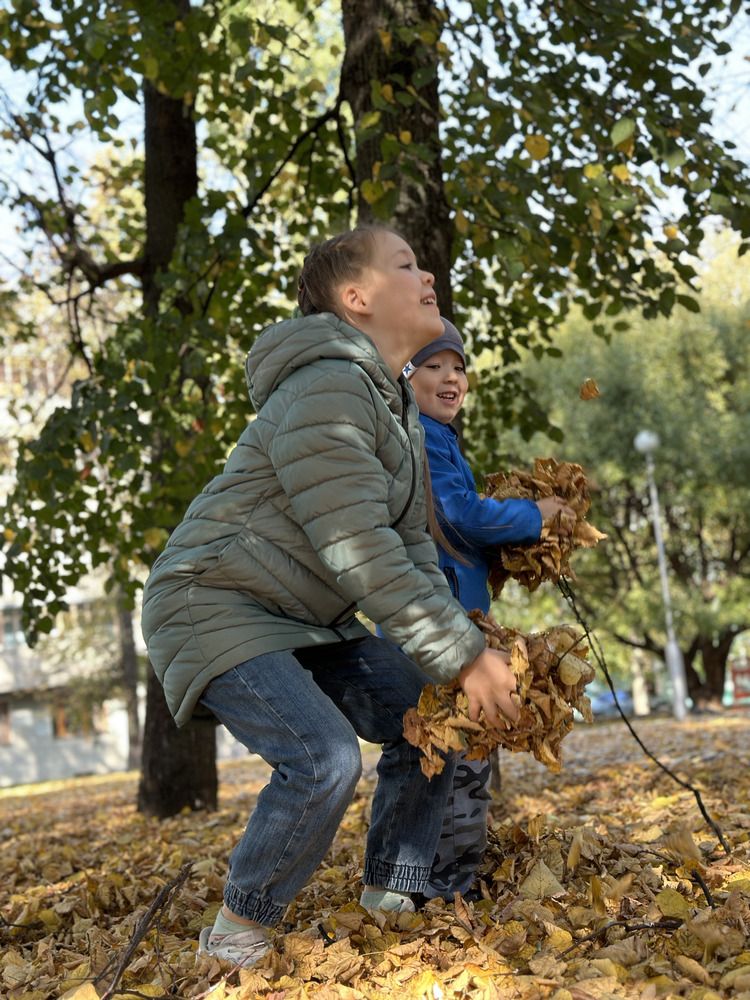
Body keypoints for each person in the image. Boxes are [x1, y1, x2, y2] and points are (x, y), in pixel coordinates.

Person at [141, 227, 521, 968]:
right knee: (323, 758)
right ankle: (235, 935)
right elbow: (363, 551)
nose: (428, 274)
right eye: (407, 264)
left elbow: (408, 550)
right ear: (358, 297)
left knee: (426, 715)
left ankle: (391, 897)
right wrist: (465, 654)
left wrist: (459, 649)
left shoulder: (392, 406)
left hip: (302, 616)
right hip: (212, 601)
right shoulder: (329, 387)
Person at [404, 319, 572, 902]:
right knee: (457, 755)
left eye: (458, 366)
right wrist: (534, 516)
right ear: (406, 376)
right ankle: (444, 887)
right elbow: (458, 513)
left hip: (456, 617)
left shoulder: (438, 437)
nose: (451, 377)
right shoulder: (420, 436)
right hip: (444, 627)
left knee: (451, 758)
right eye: (434, 366)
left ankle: (431, 881)